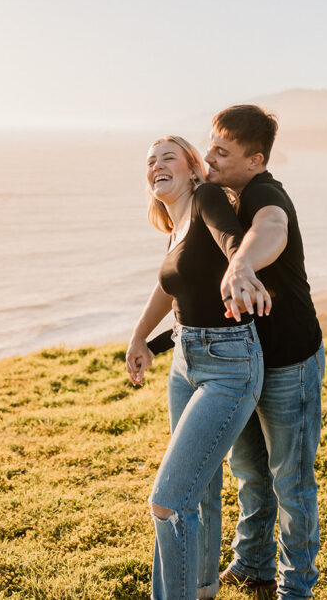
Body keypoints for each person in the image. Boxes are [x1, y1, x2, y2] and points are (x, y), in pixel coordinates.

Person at [125, 135, 271, 600]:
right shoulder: (175, 225)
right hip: (185, 362)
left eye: (168, 157)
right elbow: (172, 290)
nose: (156, 165)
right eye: (150, 161)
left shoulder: (206, 199)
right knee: (200, 492)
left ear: (193, 169)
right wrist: (142, 340)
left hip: (229, 366)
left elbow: (232, 237)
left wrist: (241, 265)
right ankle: (203, 588)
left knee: (168, 503)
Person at [207, 105, 325, 599]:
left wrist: (241, 266)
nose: (209, 158)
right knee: (250, 471)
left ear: (255, 160)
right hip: (246, 362)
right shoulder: (226, 194)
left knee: (291, 483)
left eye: (222, 152)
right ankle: (252, 562)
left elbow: (271, 229)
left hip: (290, 362)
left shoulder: (264, 192)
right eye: (210, 145)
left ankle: (295, 587)